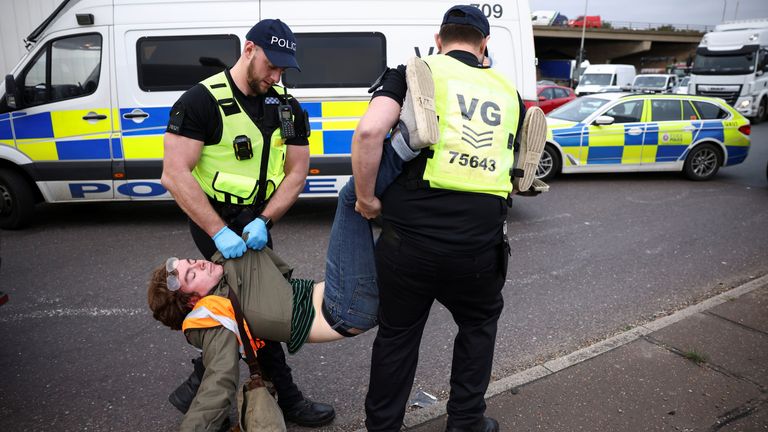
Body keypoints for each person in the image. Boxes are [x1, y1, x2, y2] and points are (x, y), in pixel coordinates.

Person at [352, 5, 546, 432]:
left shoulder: (413, 72)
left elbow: (369, 133)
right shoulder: (506, 92)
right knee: (477, 326)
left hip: (409, 244)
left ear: (439, 40)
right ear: (485, 46)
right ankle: (465, 422)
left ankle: (383, 427)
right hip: (479, 246)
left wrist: (366, 199)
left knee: (398, 337)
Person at [160, 18, 334, 428]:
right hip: (213, 222)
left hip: (257, 222)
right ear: (249, 49)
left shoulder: (286, 106)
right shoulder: (201, 101)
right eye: (271, 66)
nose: (276, 76)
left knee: (237, 311)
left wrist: (265, 219)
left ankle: (200, 390)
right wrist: (218, 231)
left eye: (283, 70)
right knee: (253, 312)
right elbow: (174, 174)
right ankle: (286, 398)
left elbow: (296, 172)